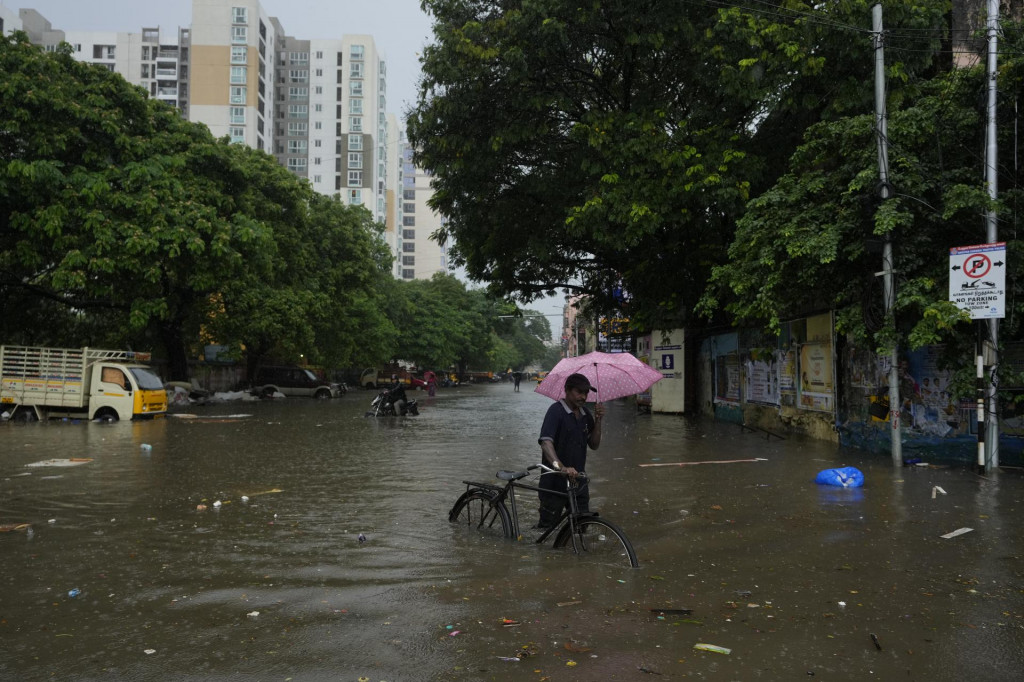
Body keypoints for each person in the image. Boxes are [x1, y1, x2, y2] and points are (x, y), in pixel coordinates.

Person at [536, 373, 605, 528]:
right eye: (579, 392)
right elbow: (546, 443)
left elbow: (594, 444)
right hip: (554, 483)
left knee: (581, 526)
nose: (583, 396)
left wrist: (599, 420)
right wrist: (561, 467)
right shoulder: (555, 412)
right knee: (548, 530)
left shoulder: (585, 414)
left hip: (578, 481)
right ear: (567, 390)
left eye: (586, 393)